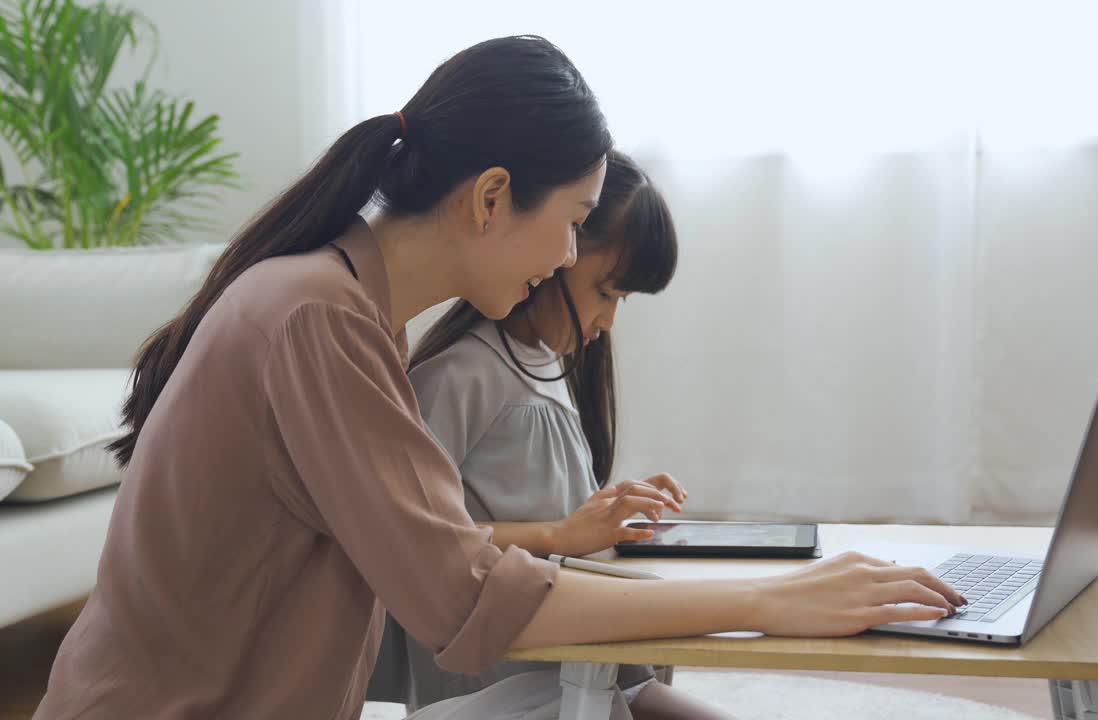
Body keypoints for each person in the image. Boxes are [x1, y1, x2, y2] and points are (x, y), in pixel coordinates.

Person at [33, 36, 963, 720]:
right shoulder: (316, 316)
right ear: (489, 197)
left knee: (620, 707)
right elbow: (469, 597)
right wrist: (772, 603)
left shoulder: (341, 307)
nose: (567, 255)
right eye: (573, 219)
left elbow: (458, 569)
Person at [368, 150, 732, 718]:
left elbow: (547, 516)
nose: (610, 319)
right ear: (556, 254)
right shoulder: (460, 376)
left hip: (582, 664)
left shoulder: (551, 367)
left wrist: (607, 512)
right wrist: (559, 534)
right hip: (507, 687)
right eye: (607, 292)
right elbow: (423, 546)